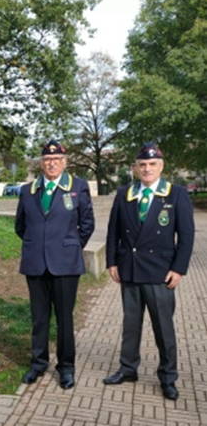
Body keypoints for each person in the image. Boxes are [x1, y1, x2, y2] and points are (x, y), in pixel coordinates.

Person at [103, 142, 194, 401]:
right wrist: (111, 262)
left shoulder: (175, 194)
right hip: (129, 270)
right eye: (142, 164)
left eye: (152, 164)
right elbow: (113, 232)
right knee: (131, 325)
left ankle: (168, 377)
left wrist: (179, 269)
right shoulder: (124, 193)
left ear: (161, 167)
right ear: (135, 168)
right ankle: (128, 368)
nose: (147, 169)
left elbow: (186, 236)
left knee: (163, 328)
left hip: (160, 273)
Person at [14, 140, 95, 389]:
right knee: (39, 318)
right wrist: (38, 245)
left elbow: (87, 224)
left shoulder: (78, 187)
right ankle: (38, 363)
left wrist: (69, 246)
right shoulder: (28, 190)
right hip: (36, 263)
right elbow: (20, 226)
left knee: (64, 319)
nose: (52, 163)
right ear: (41, 163)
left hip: (66, 265)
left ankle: (66, 367)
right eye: (48, 160)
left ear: (65, 162)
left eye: (57, 159)